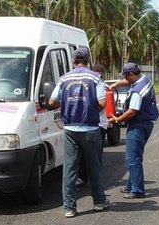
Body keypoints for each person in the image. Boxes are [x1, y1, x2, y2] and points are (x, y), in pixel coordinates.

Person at [48, 48, 110, 218]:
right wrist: (89, 110)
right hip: (90, 129)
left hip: (69, 130)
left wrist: (67, 106)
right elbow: (102, 102)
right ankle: (99, 202)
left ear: (73, 61)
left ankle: (69, 207)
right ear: (88, 60)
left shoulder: (64, 79)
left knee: (69, 169)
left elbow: (52, 101)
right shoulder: (94, 77)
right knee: (94, 167)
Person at [109, 62, 159, 199]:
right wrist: (116, 85)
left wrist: (117, 120)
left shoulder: (138, 90)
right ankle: (131, 185)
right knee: (136, 156)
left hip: (138, 125)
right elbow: (127, 81)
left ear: (132, 74)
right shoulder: (145, 79)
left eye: (126, 76)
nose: (126, 79)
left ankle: (137, 190)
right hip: (146, 123)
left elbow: (132, 111)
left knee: (132, 159)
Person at [76, 64, 108, 186]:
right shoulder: (87, 86)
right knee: (83, 155)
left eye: (100, 74)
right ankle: (83, 177)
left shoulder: (103, 87)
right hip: (87, 124)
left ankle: (96, 180)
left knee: (96, 156)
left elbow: (102, 106)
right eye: (96, 73)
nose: (99, 76)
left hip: (99, 125)